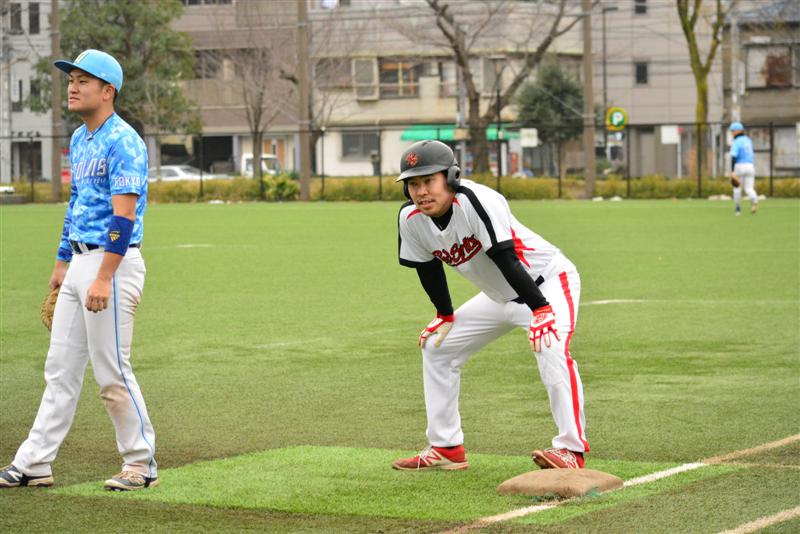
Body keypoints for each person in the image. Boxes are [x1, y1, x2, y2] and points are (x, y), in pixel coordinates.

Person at [0, 50, 157, 491]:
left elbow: (122, 217)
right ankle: (34, 462)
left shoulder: (123, 140)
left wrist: (104, 275)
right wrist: (62, 261)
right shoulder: (82, 138)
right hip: (79, 262)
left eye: (84, 80)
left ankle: (141, 464)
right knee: (60, 368)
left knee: (112, 373)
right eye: (71, 78)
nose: (72, 85)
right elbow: (77, 206)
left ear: (108, 92)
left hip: (114, 263)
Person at [392, 140, 589, 471]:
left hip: (547, 283)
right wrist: (445, 314)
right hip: (499, 297)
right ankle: (446, 447)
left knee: (550, 345)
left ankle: (571, 449)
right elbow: (428, 267)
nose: (421, 191)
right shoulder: (410, 218)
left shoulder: (475, 200)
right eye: (413, 183)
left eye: (429, 181)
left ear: (452, 177)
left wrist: (541, 310)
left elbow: (506, 259)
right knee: (437, 348)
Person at [729, 121, 758, 215]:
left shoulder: (736, 142)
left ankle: (737, 209)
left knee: (737, 188)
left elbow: (734, 156)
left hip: (739, 166)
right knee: (749, 188)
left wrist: (732, 171)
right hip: (750, 166)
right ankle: (754, 201)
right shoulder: (748, 140)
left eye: (733, 131)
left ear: (738, 131)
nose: (732, 133)